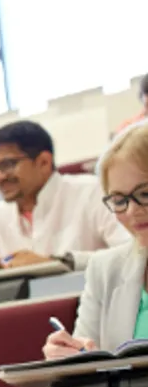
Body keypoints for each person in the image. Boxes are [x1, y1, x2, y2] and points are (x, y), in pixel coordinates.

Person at [44, 123, 148, 358]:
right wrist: (68, 356)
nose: (131, 211)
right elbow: (88, 358)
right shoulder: (105, 268)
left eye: (145, 194)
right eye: (119, 200)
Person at [0, 121, 129, 272]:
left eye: (7, 165)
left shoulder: (92, 192)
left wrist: (60, 263)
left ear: (44, 162)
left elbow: (132, 253)